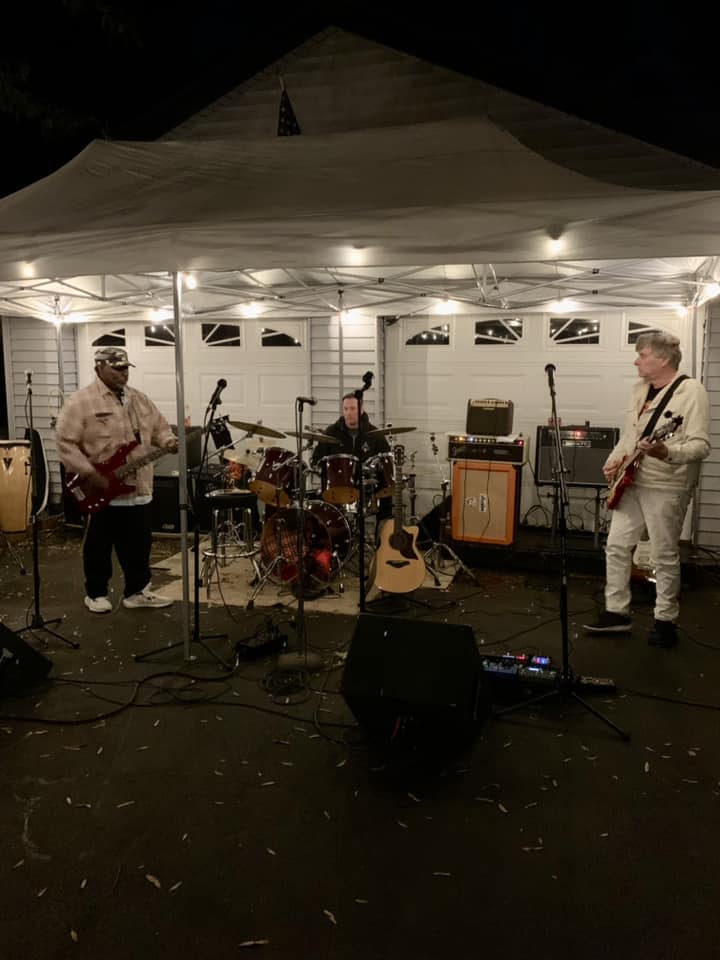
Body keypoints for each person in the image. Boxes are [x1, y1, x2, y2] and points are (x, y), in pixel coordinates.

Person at [584, 332, 710, 647]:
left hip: (666, 485)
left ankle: (665, 619)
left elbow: (700, 446)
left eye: (642, 355)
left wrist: (667, 452)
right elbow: (631, 436)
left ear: (663, 359)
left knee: (663, 554)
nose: (636, 361)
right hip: (632, 480)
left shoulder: (691, 391)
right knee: (616, 546)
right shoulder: (639, 390)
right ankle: (616, 612)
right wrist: (614, 461)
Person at [56, 346, 178, 613]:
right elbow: (65, 443)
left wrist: (168, 440)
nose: (123, 373)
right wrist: (89, 473)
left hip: (139, 488)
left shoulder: (139, 399)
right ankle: (96, 593)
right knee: (99, 545)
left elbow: (159, 426)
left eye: (125, 368)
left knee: (139, 544)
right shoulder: (81, 402)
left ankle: (137, 592)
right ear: (99, 368)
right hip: (101, 489)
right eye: (117, 368)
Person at [311, 393, 393, 525]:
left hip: (366, 488)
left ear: (362, 409)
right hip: (338, 487)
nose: (349, 413)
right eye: (346, 409)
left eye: (353, 408)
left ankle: (382, 534)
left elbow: (386, 462)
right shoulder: (331, 432)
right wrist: (322, 470)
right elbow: (316, 460)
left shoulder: (374, 434)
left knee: (387, 495)